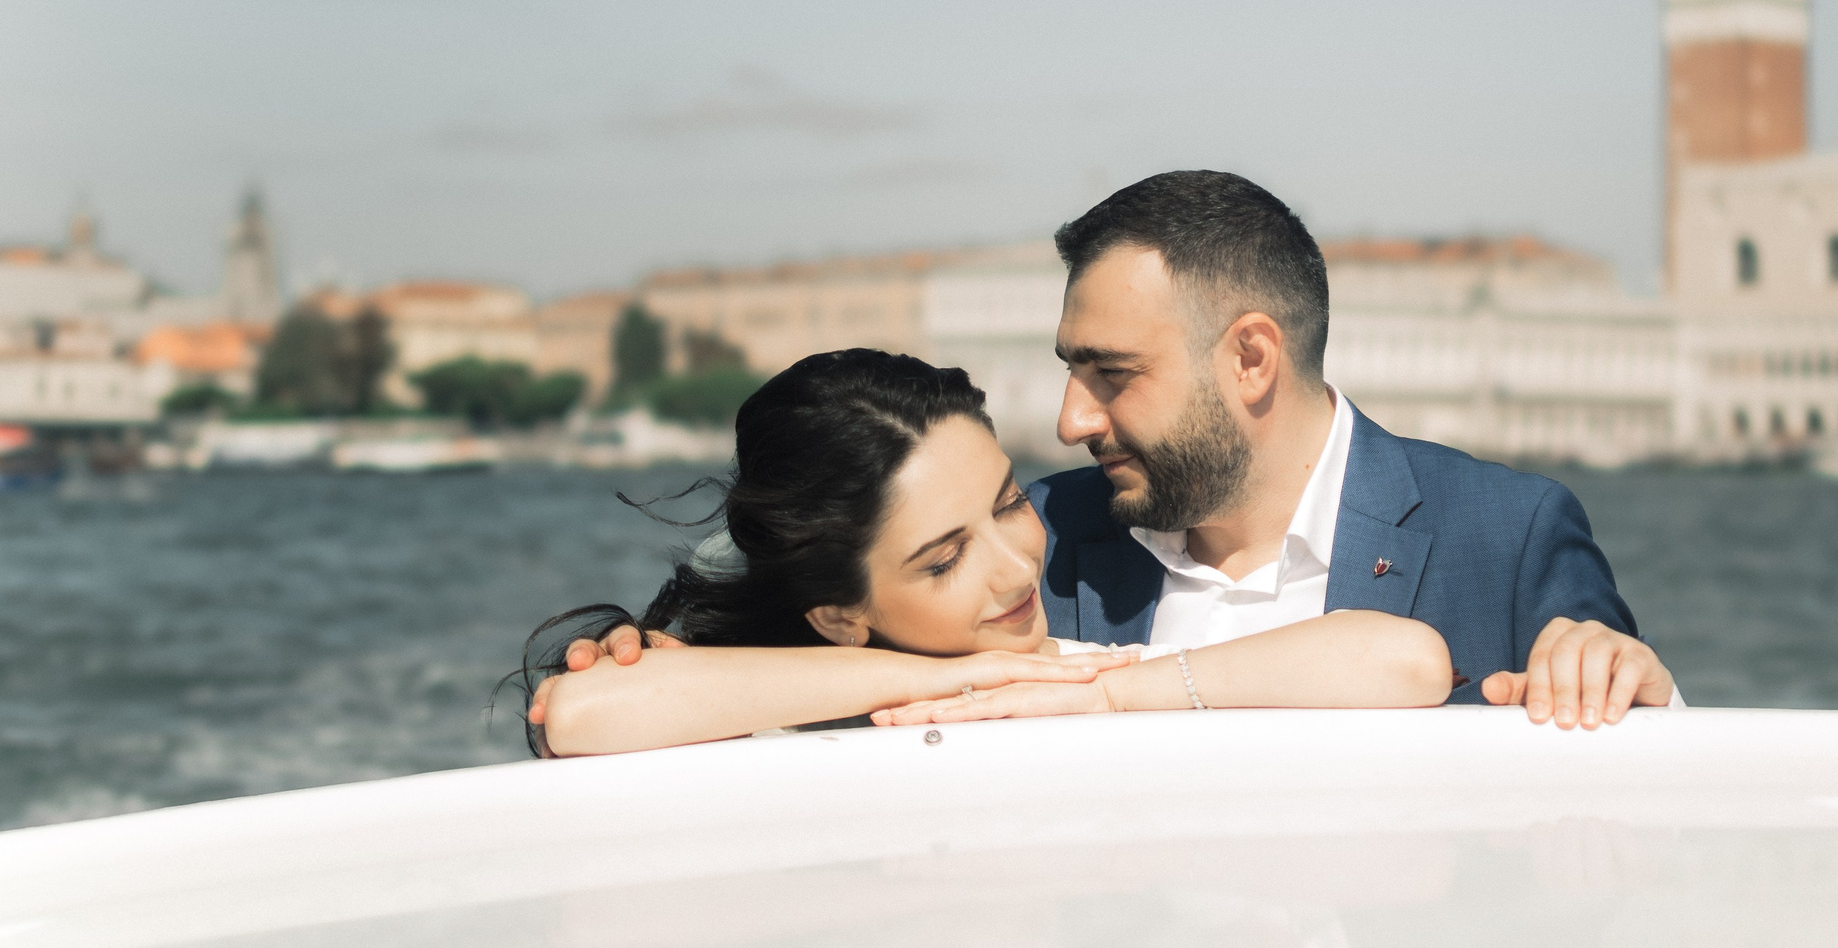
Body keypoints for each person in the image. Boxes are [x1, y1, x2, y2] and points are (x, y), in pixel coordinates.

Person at [553, 170, 1676, 740]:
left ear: (1249, 361)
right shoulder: (1027, 550)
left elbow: (1641, 774)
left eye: (1110, 373)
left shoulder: (1509, 532)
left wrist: (1630, 683)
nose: (1072, 418)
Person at [526, 347, 1453, 756]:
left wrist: (1104, 688)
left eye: (1009, 502)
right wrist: (936, 682)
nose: (1014, 570)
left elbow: (1407, 660)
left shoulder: (1086, 680)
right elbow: (578, 716)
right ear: (840, 615)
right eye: (941, 559)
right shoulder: (814, 707)